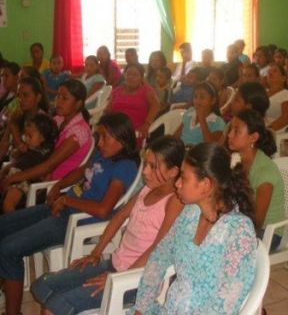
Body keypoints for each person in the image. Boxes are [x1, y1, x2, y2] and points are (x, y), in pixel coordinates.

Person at [0, 112, 139, 315]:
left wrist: (66, 200)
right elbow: (82, 171)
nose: (99, 143)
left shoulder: (124, 166)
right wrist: (59, 186)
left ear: (122, 139)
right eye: (98, 137)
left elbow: (103, 210)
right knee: (3, 224)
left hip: (75, 220)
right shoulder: (105, 154)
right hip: (63, 207)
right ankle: (6, 280)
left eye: (105, 137)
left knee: (8, 249)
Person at [31, 135, 185, 315]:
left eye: (153, 166)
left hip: (135, 281)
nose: (145, 172)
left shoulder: (174, 202)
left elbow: (158, 250)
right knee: (45, 283)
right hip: (114, 264)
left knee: (53, 306)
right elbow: (119, 216)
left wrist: (119, 278)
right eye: (145, 164)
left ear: (173, 171)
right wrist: (96, 252)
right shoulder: (148, 188)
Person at [131, 142, 257, 315]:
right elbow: (159, 258)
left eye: (184, 177)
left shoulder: (239, 232)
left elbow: (226, 303)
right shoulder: (190, 214)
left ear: (205, 184)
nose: (177, 184)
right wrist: (141, 308)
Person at [2, 79, 92, 186]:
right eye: (57, 96)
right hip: (41, 172)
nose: (58, 101)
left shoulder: (79, 132)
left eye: (65, 98)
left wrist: (13, 178)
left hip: (52, 184)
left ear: (78, 104)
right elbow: (38, 148)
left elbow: (49, 165)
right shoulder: (59, 120)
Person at [228, 109, 284, 247]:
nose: (229, 135)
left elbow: (257, 221)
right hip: (242, 220)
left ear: (253, 137)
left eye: (236, 131)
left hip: (267, 232)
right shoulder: (237, 159)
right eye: (230, 129)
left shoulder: (264, 172)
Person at [0, 113, 58, 213]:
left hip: (24, 183)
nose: (26, 139)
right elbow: (15, 159)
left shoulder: (45, 153)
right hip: (14, 175)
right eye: (25, 135)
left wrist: (42, 187)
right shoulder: (29, 148)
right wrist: (18, 151)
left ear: (43, 137)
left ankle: (12, 224)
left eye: (30, 136)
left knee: (8, 204)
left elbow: (48, 170)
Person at [0, 76, 49, 162]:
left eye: (25, 95)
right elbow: (3, 148)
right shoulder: (19, 115)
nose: (21, 99)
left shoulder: (43, 122)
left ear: (38, 97)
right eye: (18, 95)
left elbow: (26, 154)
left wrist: (12, 124)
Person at [108, 63, 160, 140]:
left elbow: (156, 106)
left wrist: (147, 124)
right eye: (128, 74)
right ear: (124, 75)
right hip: (115, 129)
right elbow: (108, 110)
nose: (130, 77)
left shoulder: (146, 91)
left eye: (135, 75)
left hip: (136, 131)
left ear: (142, 78)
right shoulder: (117, 91)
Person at [175, 82, 225, 146]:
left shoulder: (218, 122)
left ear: (213, 100)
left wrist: (202, 119)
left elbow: (210, 145)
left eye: (202, 97)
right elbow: (177, 134)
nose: (197, 101)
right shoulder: (190, 112)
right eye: (195, 97)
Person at [265, 64, 288, 132]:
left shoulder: (286, 94)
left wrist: (267, 130)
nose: (270, 72)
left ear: (283, 78)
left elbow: (287, 117)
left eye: (275, 71)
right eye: (269, 71)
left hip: (275, 131)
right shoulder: (264, 92)